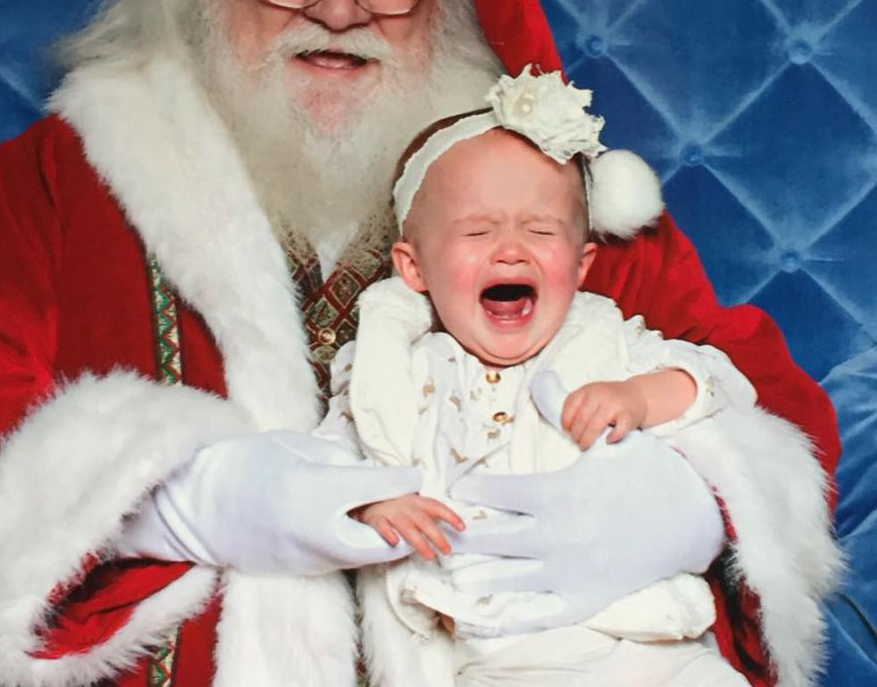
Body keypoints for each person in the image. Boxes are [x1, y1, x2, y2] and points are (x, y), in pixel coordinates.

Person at [0, 0, 839, 686]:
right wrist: (179, 496)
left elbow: (756, 381)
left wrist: (684, 495)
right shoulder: (69, 167)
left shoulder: (526, 175)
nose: (339, 7)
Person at [320, 69, 761, 685]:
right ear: (413, 268)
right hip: (500, 654)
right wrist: (372, 502)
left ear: (581, 265)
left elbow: (721, 382)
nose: (510, 250)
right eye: (477, 231)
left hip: (654, 642)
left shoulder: (603, 339)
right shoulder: (397, 366)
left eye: (540, 230)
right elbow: (325, 468)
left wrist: (639, 396)